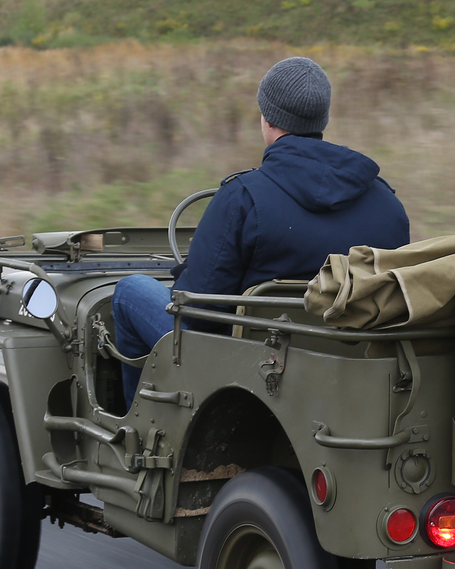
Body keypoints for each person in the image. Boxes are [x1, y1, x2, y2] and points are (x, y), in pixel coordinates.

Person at [110, 56, 410, 408]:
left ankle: (133, 434)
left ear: (266, 119)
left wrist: (186, 275)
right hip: (355, 369)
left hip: (247, 370)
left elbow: (195, 310)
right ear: (322, 120)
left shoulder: (242, 197)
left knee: (129, 291)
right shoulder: (388, 205)